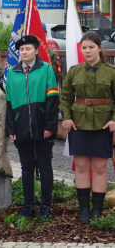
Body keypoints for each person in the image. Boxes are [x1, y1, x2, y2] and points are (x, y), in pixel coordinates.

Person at [59, 31, 115, 223]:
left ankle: (97, 211)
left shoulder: (111, 72)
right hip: (79, 124)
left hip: (103, 125)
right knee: (81, 167)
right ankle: (84, 210)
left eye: (91, 47)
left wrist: (114, 120)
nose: (87, 51)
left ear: (99, 48)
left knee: (100, 168)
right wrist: (66, 117)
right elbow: (65, 97)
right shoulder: (75, 71)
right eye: (84, 48)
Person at [5, 35, 59, 218]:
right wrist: (11, 128)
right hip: (21, 128)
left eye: (28, 48)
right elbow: (9, 102)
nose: (24, 52)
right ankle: (28, 206)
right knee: (26, 169)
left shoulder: (46, 70)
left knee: (45, 167)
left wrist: (49, 126)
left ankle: (45, 206)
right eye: (21, 49)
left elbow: (53, 100)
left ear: (36, 50)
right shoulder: (12, 73)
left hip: (42, 126)